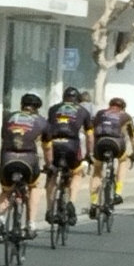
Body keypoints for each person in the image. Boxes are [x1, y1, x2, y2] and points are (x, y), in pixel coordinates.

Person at [0, 93, 50, 241]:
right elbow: (47, 148)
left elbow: (4, 138)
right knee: (34, 187)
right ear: (37, 108)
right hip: (28, 161)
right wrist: (49, 165)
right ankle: (31, 224)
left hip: (7, 159)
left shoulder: (9, 118)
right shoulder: (42, 121)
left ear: (21, 105)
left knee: (6, 191)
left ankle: (0, 219)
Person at [43, 85, 93, 226]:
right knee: (77, 172)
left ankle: (49, 209)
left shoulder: (53, 109)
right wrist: (89, 154)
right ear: (78, 100)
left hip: (54, 144)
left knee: (52, 174)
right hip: (71, 145)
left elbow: (47, 130)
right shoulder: (83, 111)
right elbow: (90, 137)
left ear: (64, 98)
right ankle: (71, 202)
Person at [88, 96, 134, 218]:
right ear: (123, 108)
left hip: (100, 143)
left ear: (109, 106)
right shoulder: (126, 116)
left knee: (97, 171)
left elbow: (91, 131)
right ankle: (118, 192)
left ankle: (93, 203)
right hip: (116, 144)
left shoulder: (100, 113)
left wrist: (90, 151)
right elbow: (133, 138)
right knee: (123, 161)